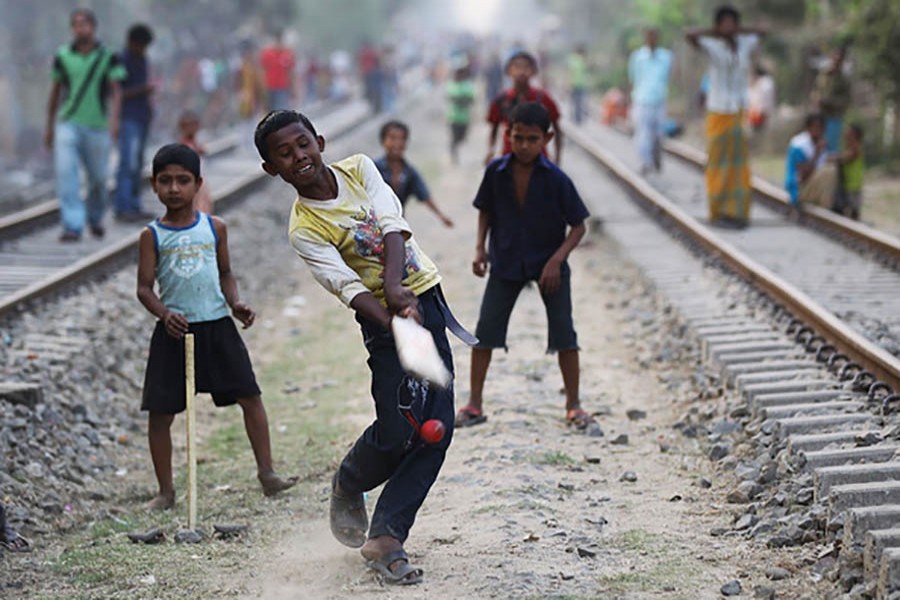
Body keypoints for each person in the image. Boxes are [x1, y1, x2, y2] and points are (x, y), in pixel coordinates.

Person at [255, 110, 471, 584]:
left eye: (303, 144)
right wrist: (394, 319)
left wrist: (397, 288)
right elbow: (347, 286)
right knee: (400, 428)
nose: (299, 157)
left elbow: (393, 225)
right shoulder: (305, 229)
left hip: (423, 299)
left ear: (320, 141)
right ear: (273, 170)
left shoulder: (359, 169)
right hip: (382, 323)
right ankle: (351, 480)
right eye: (285, 154)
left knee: (436, 422)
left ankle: (387, 535)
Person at [136, 144, 296, 510]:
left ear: (198, 185)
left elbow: (225, 273)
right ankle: (165, 491)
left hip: (218, 327)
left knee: (249, 396)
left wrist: (235, 303)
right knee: (160, 414)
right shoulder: (152, 235)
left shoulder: (214, 228)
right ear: (154, 185)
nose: (174, 189)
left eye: (183, 181)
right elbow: (144, 288)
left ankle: (267, 473)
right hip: (174, 332)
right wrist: (164, 314)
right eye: (166, 181)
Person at [456, 102, 593, 431]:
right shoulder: (496, 171)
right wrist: (479, 248)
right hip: (505, 260)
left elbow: (578, 226)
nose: (524, 146)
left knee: (564, 333)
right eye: (518, 138)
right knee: (485, 330)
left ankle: (573, 405)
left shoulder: (557, 179)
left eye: (532, 139)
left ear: (546, 139)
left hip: (548, 262)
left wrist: (557, 260)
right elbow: (485, 210)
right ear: (508, 135)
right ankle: (474, 403)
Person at [44, 8, 125, 242]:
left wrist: (115, 120)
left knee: (99, 178)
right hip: (68, 122)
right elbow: (56, 91)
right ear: (72, 28)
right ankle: (72, 224)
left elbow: (116, 90)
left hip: (98, 124)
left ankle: (96, 217)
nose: (81, 28)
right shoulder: (63, 56)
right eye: (77, 24)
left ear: (93, 27)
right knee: (66, 173)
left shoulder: (108, 56)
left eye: (85, 24)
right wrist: (49, 126)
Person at [686, 5, 767, 228]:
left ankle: (737, 212)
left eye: (733, 22)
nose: (729, 27)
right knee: (717, 162)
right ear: (718, 25)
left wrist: (739, 31)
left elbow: (763, 31)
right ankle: (718, 211)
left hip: (738, 111)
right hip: (718, 110)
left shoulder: (745, 44)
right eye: (725, 23)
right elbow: (690, 35)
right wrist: (715, 32)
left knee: (738, 164)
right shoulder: (712, 45)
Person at [486, 51, 563, 166]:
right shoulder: (501, 100)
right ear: (508, 71)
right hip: (510, 160)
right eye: (517, 67)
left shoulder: (542, 98)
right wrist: (490, 151)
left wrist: (557, 158)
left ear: (533, 71)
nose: (521, 71)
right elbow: (494, 129)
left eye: (526, 67)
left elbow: (557, 129)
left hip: (539, 161)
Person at [375, 121, 453, 227]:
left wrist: (441, 216)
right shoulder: (373, 168)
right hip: (372, 225)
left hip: (397, 225)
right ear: (383, 141)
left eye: (402, 139)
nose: (397, 143)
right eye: (392, 138)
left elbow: (425, 196)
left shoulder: (409, 172)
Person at [113, 23, 155, 222]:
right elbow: (117, 93)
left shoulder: (143, 59)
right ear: (132, 43)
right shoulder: (120, 61)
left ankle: (134, 204)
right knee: (127, 162)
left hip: (142, 116)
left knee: (138, 163)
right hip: (127, 117)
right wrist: (143, 90)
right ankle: (123, 206)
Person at [628, 28, 672, 175]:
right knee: (643, 133)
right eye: (649, 36)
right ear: (645, 38)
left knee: (658, 134)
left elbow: (668, 77)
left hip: (659, 100)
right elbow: (633, 77)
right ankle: (645, 162)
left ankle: (656, 155)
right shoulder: (637, 57)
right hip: (642, 99)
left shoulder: (666, 57)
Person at [784, 113, 834, 208]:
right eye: (815, 127)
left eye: (821, 128)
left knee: (832, 168)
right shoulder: (798, 145)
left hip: (813, 186)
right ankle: (826, 206)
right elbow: (803, 176)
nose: (818, 131)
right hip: (798, 189)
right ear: (808, 128)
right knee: (829, 171)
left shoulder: (823, 143)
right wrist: (817, 153)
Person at [814, 45, 851, 153]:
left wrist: (830, 102)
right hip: (820, 115)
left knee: (831, 147)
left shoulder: (843, 79)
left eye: (840, 58)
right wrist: (817, 99)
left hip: (834, 116)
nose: (837, 60)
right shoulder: (824, 75)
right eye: (835, 57)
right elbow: (816, 90)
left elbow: (845, 100)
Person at [177, 110, 214, 214]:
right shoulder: (184, 145)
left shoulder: (195, 143)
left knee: (203, 201)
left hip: (200, 178)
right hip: (191, 179)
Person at [831, 123, 864, 220]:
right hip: (848, 184)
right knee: (847, 207)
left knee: (853, 209)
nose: (846, 137)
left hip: (853, 185)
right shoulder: (847, 148)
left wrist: (833, 158)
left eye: (849, 135)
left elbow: (845, 158)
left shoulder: (856, 148)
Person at [445, 58, 476, 164]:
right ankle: (453, 155)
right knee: (454, 138)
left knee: (462, 138)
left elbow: (472, 99)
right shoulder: (451, 85)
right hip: (453, 117)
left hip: (465, 117)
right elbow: (449, 97)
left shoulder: (467, 85)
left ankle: (455, 151)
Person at [259, 30, 296, 111]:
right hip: (269, 87)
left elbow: (291, 73)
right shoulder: (267, 54)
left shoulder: (288, 53)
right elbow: (262, 70)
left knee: (280, 111)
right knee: (270, 113)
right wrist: (262, 87)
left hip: (282, 88)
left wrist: (293, 89)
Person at [747, 65, 775, 132]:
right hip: (764, 112)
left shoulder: (762, 83)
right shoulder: (769, 82)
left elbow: (758, 99)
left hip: (758, 113)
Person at [567, 44, 590, 125]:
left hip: (578, 84)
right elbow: (570, 72)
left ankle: (576, 118)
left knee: (576, 102)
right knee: (578, 102)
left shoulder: (574, 59)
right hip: (577, 84)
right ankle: (576, 118)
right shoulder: (577, 60)